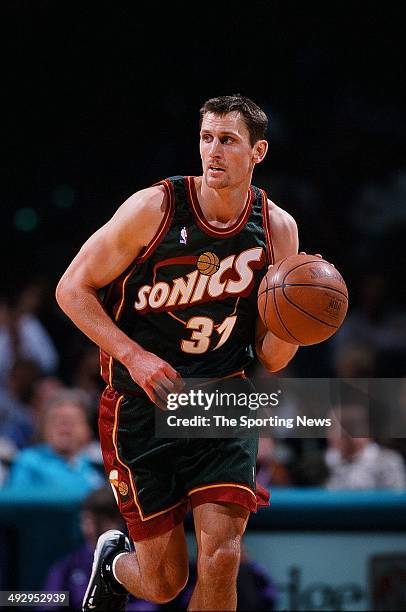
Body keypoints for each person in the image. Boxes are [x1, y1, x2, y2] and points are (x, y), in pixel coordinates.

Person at [56, 95, 300, 611]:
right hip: (142, 402)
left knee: (222, 556)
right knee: (165, 581)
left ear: (258, 151)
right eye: (207, 138)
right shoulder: (155, 208)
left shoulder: (277, 228)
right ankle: (116, 565)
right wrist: (133, 355)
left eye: (228, 140)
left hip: (221, 400)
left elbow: (273, 359)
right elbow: (71, 288)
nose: (213, 150)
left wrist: (298, 324)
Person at [6, 388, 103, 493]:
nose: (64, 426)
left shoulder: (101, 463)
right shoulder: (28, 462)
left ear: (88, 430)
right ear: (44, 429)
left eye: (72, 420)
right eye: (56, 420)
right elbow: (18, 504)